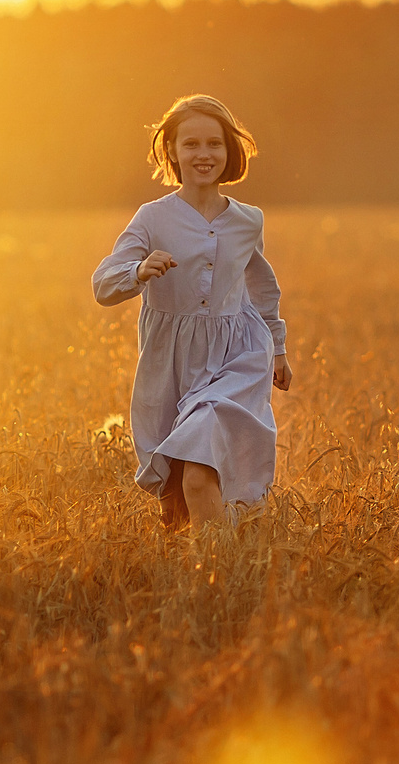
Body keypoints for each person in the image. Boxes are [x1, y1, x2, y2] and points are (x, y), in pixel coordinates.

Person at [90, 95, 293, 531]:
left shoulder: (248, 220)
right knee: (175, 500)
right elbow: (103, 285)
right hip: (171, 362)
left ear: (230, 152)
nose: (204, 155)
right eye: (191, 144)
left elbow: (261, 285)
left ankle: (226, 572)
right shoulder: (152, 218)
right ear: (173, 153)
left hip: (238, 357)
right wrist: (139, 271)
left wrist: (276, 349)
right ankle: (204, 577)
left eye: (215, 144)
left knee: (199, 475)